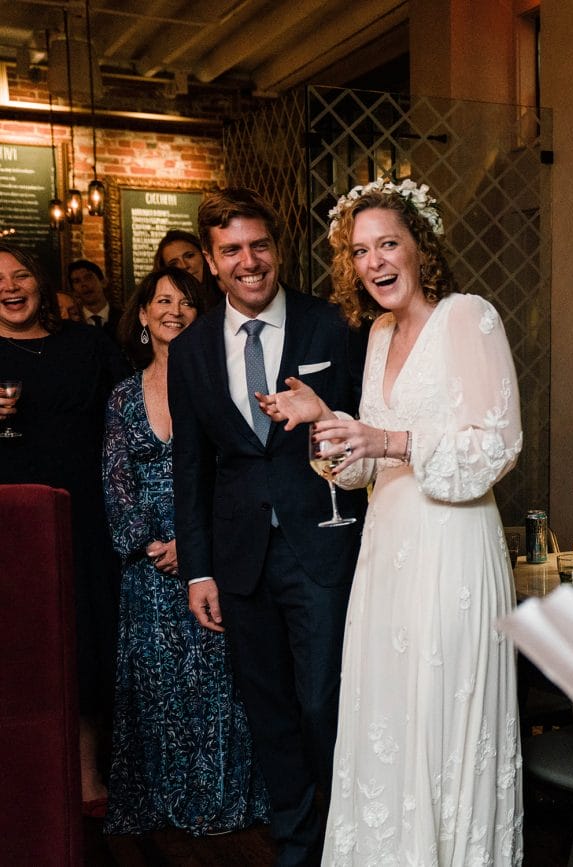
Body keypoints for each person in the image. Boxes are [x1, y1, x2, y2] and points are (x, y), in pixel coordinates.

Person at [262, 178, 524, 865]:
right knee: (389, 718)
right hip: (387, 551)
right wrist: (328, 423)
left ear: (420, 248)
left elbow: (498, 444)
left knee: (439, 718)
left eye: (388, 244)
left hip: (452, 550)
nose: (374, 262)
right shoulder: (378, 333)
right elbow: (366, 463)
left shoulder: (469, 316)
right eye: (359, 251)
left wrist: (391, 441)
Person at [169, 188, 367, 866]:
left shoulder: (331, 324)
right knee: (271, 711)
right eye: (232, 250)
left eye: (260, 245)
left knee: (322, 704)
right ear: (209, 262)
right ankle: (294, 843)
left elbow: (366, 425)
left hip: (322, 543)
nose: (249, 261)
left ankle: (347, 833)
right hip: (240, 557)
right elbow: (190, 466)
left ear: (278, 249)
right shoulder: (191, 348)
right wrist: (199, 567)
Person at [102, 266, 269, 835]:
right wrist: (152, 544)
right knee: (158, 687)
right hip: (149, 569)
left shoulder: (219, 385)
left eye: (187, 303)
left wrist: (199, 546)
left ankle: (225, 798)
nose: (174, 310)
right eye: (162, 301)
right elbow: (115, 480)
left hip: (217, 552)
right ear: (143, 316)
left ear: (203, 316)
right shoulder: (123, 396)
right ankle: (162, 801)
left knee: (221, 684)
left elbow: (238, 472)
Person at [0, 242, 130, 817]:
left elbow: (135, 411)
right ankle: (21, 779)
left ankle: (85, 772)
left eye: (21, 274)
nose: (10, 287)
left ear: (40, 281)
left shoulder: (86, 345)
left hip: (83, 516)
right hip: (10, 521)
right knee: (19, 642)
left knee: (84, 637)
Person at [155, 228, 223, 310]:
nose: (184, 265)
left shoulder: (229, 293)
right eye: (174, 263)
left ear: (205, 255)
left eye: (189, 256)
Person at [68, 258, 122, 332]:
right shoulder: (72, 324)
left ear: (103, 282)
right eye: (77, 281)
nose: (84, 284)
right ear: (74, 292)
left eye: (88, 278)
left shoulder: (124, 319)